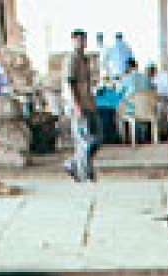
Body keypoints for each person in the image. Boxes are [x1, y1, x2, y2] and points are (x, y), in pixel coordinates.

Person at [63, 29, 99, 183]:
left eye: (83, 40)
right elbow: (69, 83)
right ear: (73, 41)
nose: (82, 43)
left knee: (96, 138)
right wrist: (76, 105)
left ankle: (72, 164)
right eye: (78, 40)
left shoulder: (84, 59)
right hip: (78, 105)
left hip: (88, 103)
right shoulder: (71, 59)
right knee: (84, 140)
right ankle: (85, 175)